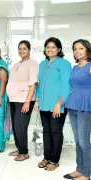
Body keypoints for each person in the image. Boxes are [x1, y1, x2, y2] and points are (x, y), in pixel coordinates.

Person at [34, 37, 72, 171]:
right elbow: (39, 84)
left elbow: (66, 85)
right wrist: (37, 100)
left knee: (56, 132)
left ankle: (54, 160)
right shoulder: (42, 64)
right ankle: (46, 157)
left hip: (57, 105)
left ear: (59, 49)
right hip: (44, 104)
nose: (50, 49)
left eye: (53, 47)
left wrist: (59, 103)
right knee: (46, 132)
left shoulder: (64, 64)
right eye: (48, 47)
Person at [64, 39, 91, 180]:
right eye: (75, 49)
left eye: (81, 48)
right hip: (72, 105)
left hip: (85, 106)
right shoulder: (75, 68)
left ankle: (87, 173)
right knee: (78, 141)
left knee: (85, 142)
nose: (77, 51)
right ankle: (79, 169)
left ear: (87, 50)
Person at [7, 40, 38, 161]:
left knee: (20, 127)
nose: (21, 51)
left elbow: (33, 84)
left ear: (29, 50)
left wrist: (27, 101)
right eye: (19, 49)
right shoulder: (16, 64)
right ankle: (19, 149)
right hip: (13, 100)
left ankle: (24, 152)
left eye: (24, 48)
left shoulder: (33, 63)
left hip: (24, 100)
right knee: (15, 126)